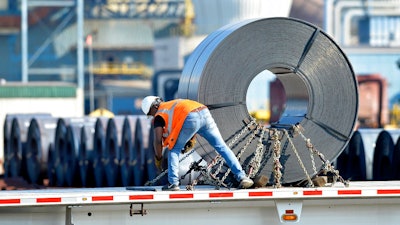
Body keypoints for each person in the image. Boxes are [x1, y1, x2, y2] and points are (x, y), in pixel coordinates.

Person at [141, 96, 254, 191]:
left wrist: (158, 159)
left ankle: (173, 183)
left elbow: (157, 140)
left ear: (154, 106)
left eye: (150, 113)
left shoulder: (160, 114)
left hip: (190, 117)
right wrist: (190, 138)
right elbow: (189, 117)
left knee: (173, 150)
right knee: (222, 147)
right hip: (204, 112)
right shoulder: (173, 104)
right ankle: (242, 177)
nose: (152, 116)